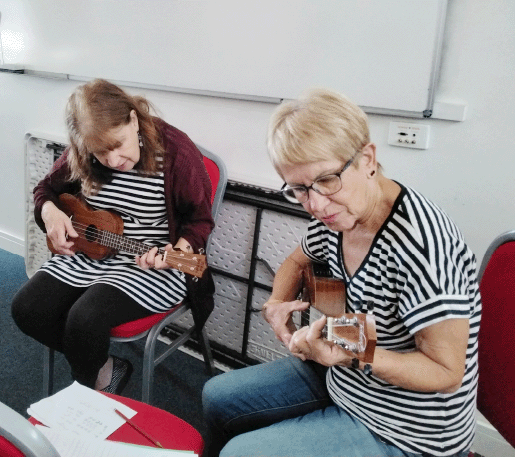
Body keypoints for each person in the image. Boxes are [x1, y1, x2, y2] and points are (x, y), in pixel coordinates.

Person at [202, 88, 481, 457]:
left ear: (367, 159)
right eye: (299, 189)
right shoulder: (335, 219)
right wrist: (277, 303)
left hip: (410, 428)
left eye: (327, 180)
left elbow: (445, 374)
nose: (315, 204)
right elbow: (298, 261)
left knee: (241, 453)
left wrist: (351, 354)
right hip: (346, 379)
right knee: (217, 397)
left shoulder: (424, 248)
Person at [11, 79, 215, 394]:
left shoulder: (176, 151)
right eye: (100, 153)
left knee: (84, 320)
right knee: (27, 309)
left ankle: (85, 397)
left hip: (155, 263)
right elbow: (46, 189)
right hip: (93, 252)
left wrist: (176, 251)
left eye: (119, 144)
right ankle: (106, 370)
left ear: (134, 119)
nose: (113, 161)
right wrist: (50, 212)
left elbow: (199, 221)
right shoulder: (86, 148)